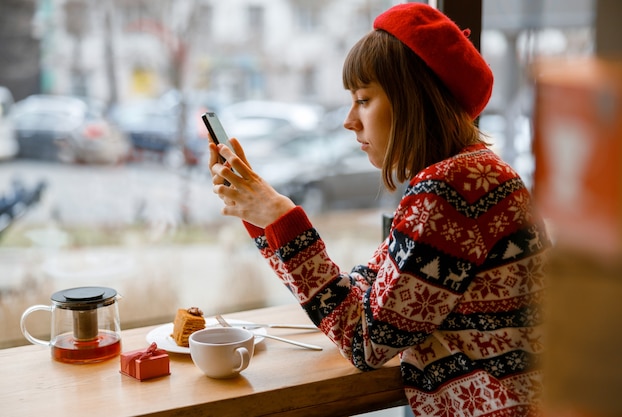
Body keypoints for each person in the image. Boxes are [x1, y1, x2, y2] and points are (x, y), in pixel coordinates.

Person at [209, 3, 550, 416]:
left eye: (363, 99)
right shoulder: (473, 174)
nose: (349, 120)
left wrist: (281, 217)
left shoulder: (451, 189)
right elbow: (370, 290)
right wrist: (265, 215)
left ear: (413, 100)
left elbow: (364, 341)